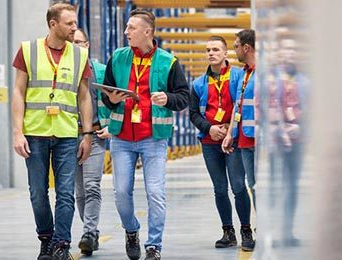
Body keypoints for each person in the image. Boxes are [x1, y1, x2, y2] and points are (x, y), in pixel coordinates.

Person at [101, 8, 189, 260]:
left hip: (153, 137)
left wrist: (167, 98)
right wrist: (111, 99)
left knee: (155, 192)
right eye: (127, 27)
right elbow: (106, 96)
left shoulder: (168, 61)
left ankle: (154, 246)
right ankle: (131, 231)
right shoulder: (117, 57)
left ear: (147, 31)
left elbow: (183, 97)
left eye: (131, 27)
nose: (126, 31)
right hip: (122, 137)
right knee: (120, 192)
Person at [11, 3, 93, 260]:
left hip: (67, 134)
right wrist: (17, 132)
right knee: (37, 192)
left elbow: (84, 97)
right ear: (53, 24)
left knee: (66, 192)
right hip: (35, 132)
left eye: (75, 23)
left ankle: (61, 245)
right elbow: (18, 92)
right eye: (69, 23)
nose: (74, 28)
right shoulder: (28, 50)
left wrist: (87, 135)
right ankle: (46, 239)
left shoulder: (80, 55)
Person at [189, 36, 254, 251]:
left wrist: (228, 128)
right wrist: (210, 129)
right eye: (208, 50)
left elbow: (241, 104)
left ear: (225, 53)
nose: (211, 53)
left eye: (216, 49)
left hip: (233, 140)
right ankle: (228, 231)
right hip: (209, 142)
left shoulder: (238, 76)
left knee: (238, 185)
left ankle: (246, 228)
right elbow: (193, 114)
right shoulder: (198, 84)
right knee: (219, 188)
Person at [71, 28, 111, 256]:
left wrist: (111, 127)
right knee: (79, 191)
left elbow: (118, 101)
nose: (76, 46)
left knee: (92, 185)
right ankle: (91, 232)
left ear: (87, 45)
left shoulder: (102, 72)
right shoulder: (63, 72)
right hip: (70, 138)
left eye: (80, 42)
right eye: (72, 42)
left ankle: (88, 231)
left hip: (95, 136)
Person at [222, 29, 257, 251]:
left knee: (260, 188)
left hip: (260, 141)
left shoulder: (264, 72)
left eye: (235, 46)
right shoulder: (245, 74)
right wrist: (230, 134)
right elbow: (239, 106)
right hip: (244, 140)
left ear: (246, 47)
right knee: (253, 186)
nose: (235, 50)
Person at [277, 41, 308, 247]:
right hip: (275, 140)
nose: (289, 53)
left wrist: (300, 127)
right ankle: (272, 230)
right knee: (276, 185)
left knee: (292, 185)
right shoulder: (271, 80)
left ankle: (287, 230)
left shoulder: (306, 82)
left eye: (293, 49)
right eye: (286, 49)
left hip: (297, 139)